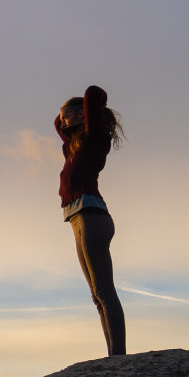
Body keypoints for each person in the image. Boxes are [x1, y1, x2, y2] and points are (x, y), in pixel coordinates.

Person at [54, 85, 126, 356]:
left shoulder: (95, 137)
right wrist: (65, 115)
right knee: (97, 295)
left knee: (104, 291)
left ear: (84, 115)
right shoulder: (72, 148)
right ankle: (113, 355)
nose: (62, 121)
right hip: (77, 219)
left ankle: (118, 357)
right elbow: (57, 124)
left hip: (92, 216)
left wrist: (86, 110)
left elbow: (93, 93)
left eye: (67, 116)